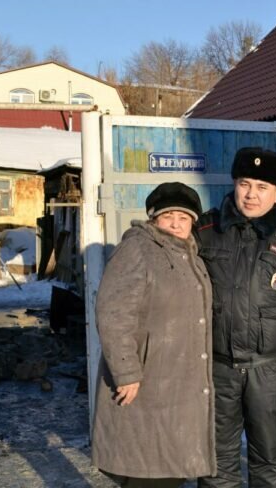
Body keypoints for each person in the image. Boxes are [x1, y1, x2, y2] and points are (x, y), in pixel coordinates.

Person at [196, 147, 276, 488]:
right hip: (216, 368)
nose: (251, 194)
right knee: (216, 464)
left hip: (269, 369)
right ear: (234, 183)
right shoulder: (205, 231)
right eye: (245, 183)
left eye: (262, 187)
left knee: (270, 463)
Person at [92, 182, 214, 488]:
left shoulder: (189, 255)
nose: (176, 222)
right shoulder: (138, 248)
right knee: (149, 470)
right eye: (168, 215)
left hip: (176, 387)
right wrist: (126, 372)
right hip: (147, 385)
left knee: (166, 469)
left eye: (183, 217)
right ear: (153, 219)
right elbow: (114, 311)